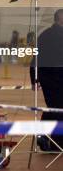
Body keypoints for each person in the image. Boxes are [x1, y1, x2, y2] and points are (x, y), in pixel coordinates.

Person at [30, 9, 63, 150]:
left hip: (48, 77)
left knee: (53, 109)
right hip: (54, 78)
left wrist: (34, 78)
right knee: (58, 110)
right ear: (60, 19)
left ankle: (42, 137)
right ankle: (57, 144)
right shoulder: (53, 35)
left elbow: (35, 58)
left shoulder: (44, 35)